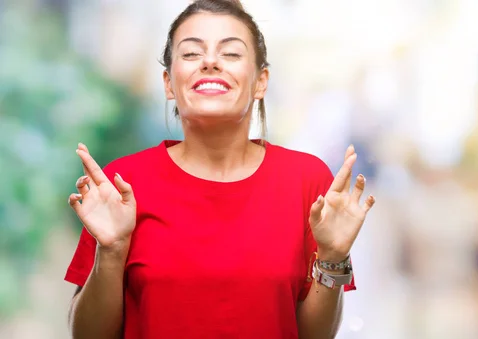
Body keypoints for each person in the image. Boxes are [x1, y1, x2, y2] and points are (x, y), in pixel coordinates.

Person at [64, 1, 376, 338]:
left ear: (261, 81)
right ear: (169, 83)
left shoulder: (306, 180)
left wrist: (332, 256)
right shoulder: (124, 184)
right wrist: (111, 252)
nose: (210, 62)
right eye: (191, 54)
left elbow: (313, 335)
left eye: (230, 54)